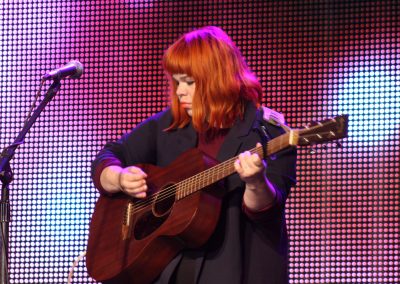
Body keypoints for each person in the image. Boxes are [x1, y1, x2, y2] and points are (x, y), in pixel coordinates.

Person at [91, 26, 296, 284]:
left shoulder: (270, 133)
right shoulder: (170, 125)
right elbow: (109, 155)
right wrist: (118, 177)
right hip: (166, 272)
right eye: (177, 81)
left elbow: (266, 211)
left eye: (189, 82)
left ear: (216, 78)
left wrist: (255, 182)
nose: (179, 92)